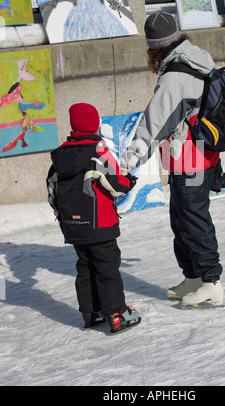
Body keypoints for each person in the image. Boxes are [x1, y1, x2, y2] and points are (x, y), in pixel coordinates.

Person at [120, 12, 224, 308]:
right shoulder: (197, 56)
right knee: (181, 218)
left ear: (154, 47)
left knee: (194, 219)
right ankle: (192, 276)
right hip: (197, 154)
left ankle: (211, 281)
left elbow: (153, 124)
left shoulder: (175, 77)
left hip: (192, 157)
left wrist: (127, 164)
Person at [46, 102, 141, 334]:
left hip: (74, 227)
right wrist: (129, 181)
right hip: (100, 225)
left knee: (85, 267)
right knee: (107, 268)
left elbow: (51, 192)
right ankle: (117, 314)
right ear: (95, 124)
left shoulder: (59, 157)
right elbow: (115, 185)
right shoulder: (98, 152)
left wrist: (63, 218)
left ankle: (91, 314)